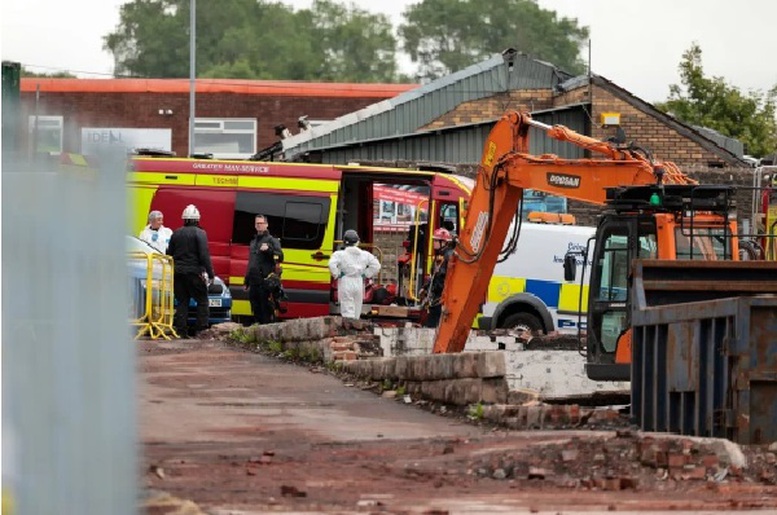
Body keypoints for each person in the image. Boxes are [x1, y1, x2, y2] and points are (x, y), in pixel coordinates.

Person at [166, 204, 214, 337]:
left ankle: (181, 331)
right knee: (202, 300)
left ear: (184, 219)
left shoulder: (176, 233)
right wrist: (211, 274)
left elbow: (169, 253)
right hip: (194, 273)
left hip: (178, 273)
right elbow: (204, 255)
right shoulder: (200, 233)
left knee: (182, 302)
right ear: (198, 219)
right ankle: (201, 330)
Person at [328, 229, 381, 319]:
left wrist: (337, 274)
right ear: (357, 241)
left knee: (347, 308)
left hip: (346, 280)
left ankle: (348, 329)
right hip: (359, 281)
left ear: (344, 242)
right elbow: (376, 266)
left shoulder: (339, 254)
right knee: (357, 308)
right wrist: (366, 274)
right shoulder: (365, 254)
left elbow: (331, 264)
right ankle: (355, 326)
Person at [244, 214, 284, 325]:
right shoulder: (253, 242)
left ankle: (266, 335)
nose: (259, 226)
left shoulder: (272, 240)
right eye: (257, 223)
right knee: (255, 307)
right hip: (253, 281)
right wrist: (246, 280)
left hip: (265, 281)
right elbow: (251, 262)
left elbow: (280, 256)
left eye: (261, 223)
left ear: (266, 224)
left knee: (265, 310)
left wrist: (269, 250)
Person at [420, 228, 455, 328]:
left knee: (433, 324)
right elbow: (434, 276)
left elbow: (441, 277)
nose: (434, 243)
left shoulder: (448, 256)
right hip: (437, 297)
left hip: (441, 298)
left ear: (443, 242)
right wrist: (426, 288)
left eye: (436, 240)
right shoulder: (440, 256)